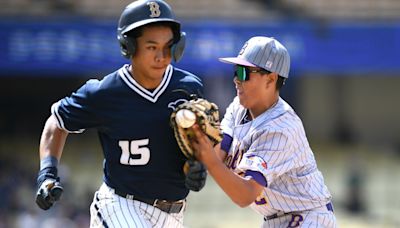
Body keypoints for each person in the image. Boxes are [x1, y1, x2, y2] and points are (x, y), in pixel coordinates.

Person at [35, 0, 207, 227]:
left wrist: (198, 164)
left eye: (167, 46)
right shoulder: (105, 93)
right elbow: (56, 123)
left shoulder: (188, 87)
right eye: (151, 47)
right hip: (121, 205)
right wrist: (47, 172)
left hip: (174, 214)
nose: (161, 56)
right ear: (129, 46)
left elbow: (201, 144)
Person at [190, 36, 337, 227]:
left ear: (271, 78)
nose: (236, 79)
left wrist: (209, 160)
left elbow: (245, 195)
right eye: (236, 71)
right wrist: (196, 145)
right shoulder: (238, 106)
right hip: (276, 219)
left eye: (244, 72)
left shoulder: (281, 128)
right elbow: (219, 152)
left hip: (309, 218)